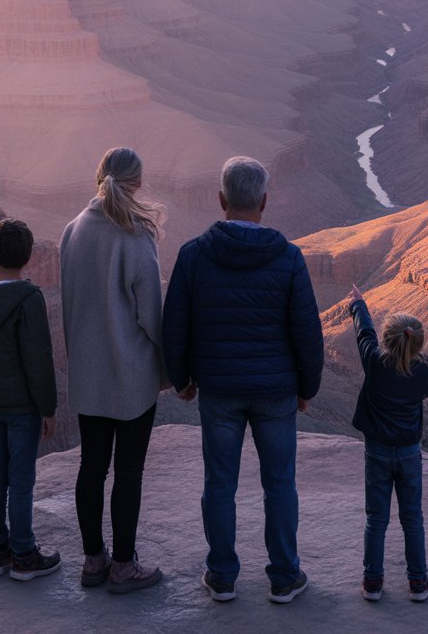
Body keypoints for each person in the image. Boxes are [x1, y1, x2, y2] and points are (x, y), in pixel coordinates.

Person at [162, 155, 324, 604]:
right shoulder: (288, 258)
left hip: (218, 391)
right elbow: (307, 330)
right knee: (280, 483)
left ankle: (222, 576)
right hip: (275, 392)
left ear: (221, 200)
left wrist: (181, 380)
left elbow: (175, 324)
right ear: (265, 202)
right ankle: (285, 576)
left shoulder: (194, 256)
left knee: (219, 483)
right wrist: (306, 388)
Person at [60, 147, 166, 594]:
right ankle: (124, 566)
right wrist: (171, 369)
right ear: (137, 184)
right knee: (128, 473)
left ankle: (93, 560)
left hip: (88, 374)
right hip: (131, 379)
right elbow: (151, 318)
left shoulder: (72, 231)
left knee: (91, 466)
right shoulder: (136, 237)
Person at [0, 217, 60, 581]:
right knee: (20, 479)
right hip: (21, 407)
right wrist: (47, 407)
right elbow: (38, 359)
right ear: (29, 258)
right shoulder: (28, 298)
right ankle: (23, 554)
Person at [345, 282, 428, 602]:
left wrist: (358, 305)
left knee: (376, 519)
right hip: (410, 453)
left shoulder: (375, 364)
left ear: (388, 341)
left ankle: (372, 583)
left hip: (378, 451)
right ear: (418, 344)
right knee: (413, 519)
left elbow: (363, 335)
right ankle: (418, 583)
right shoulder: (425, 373)